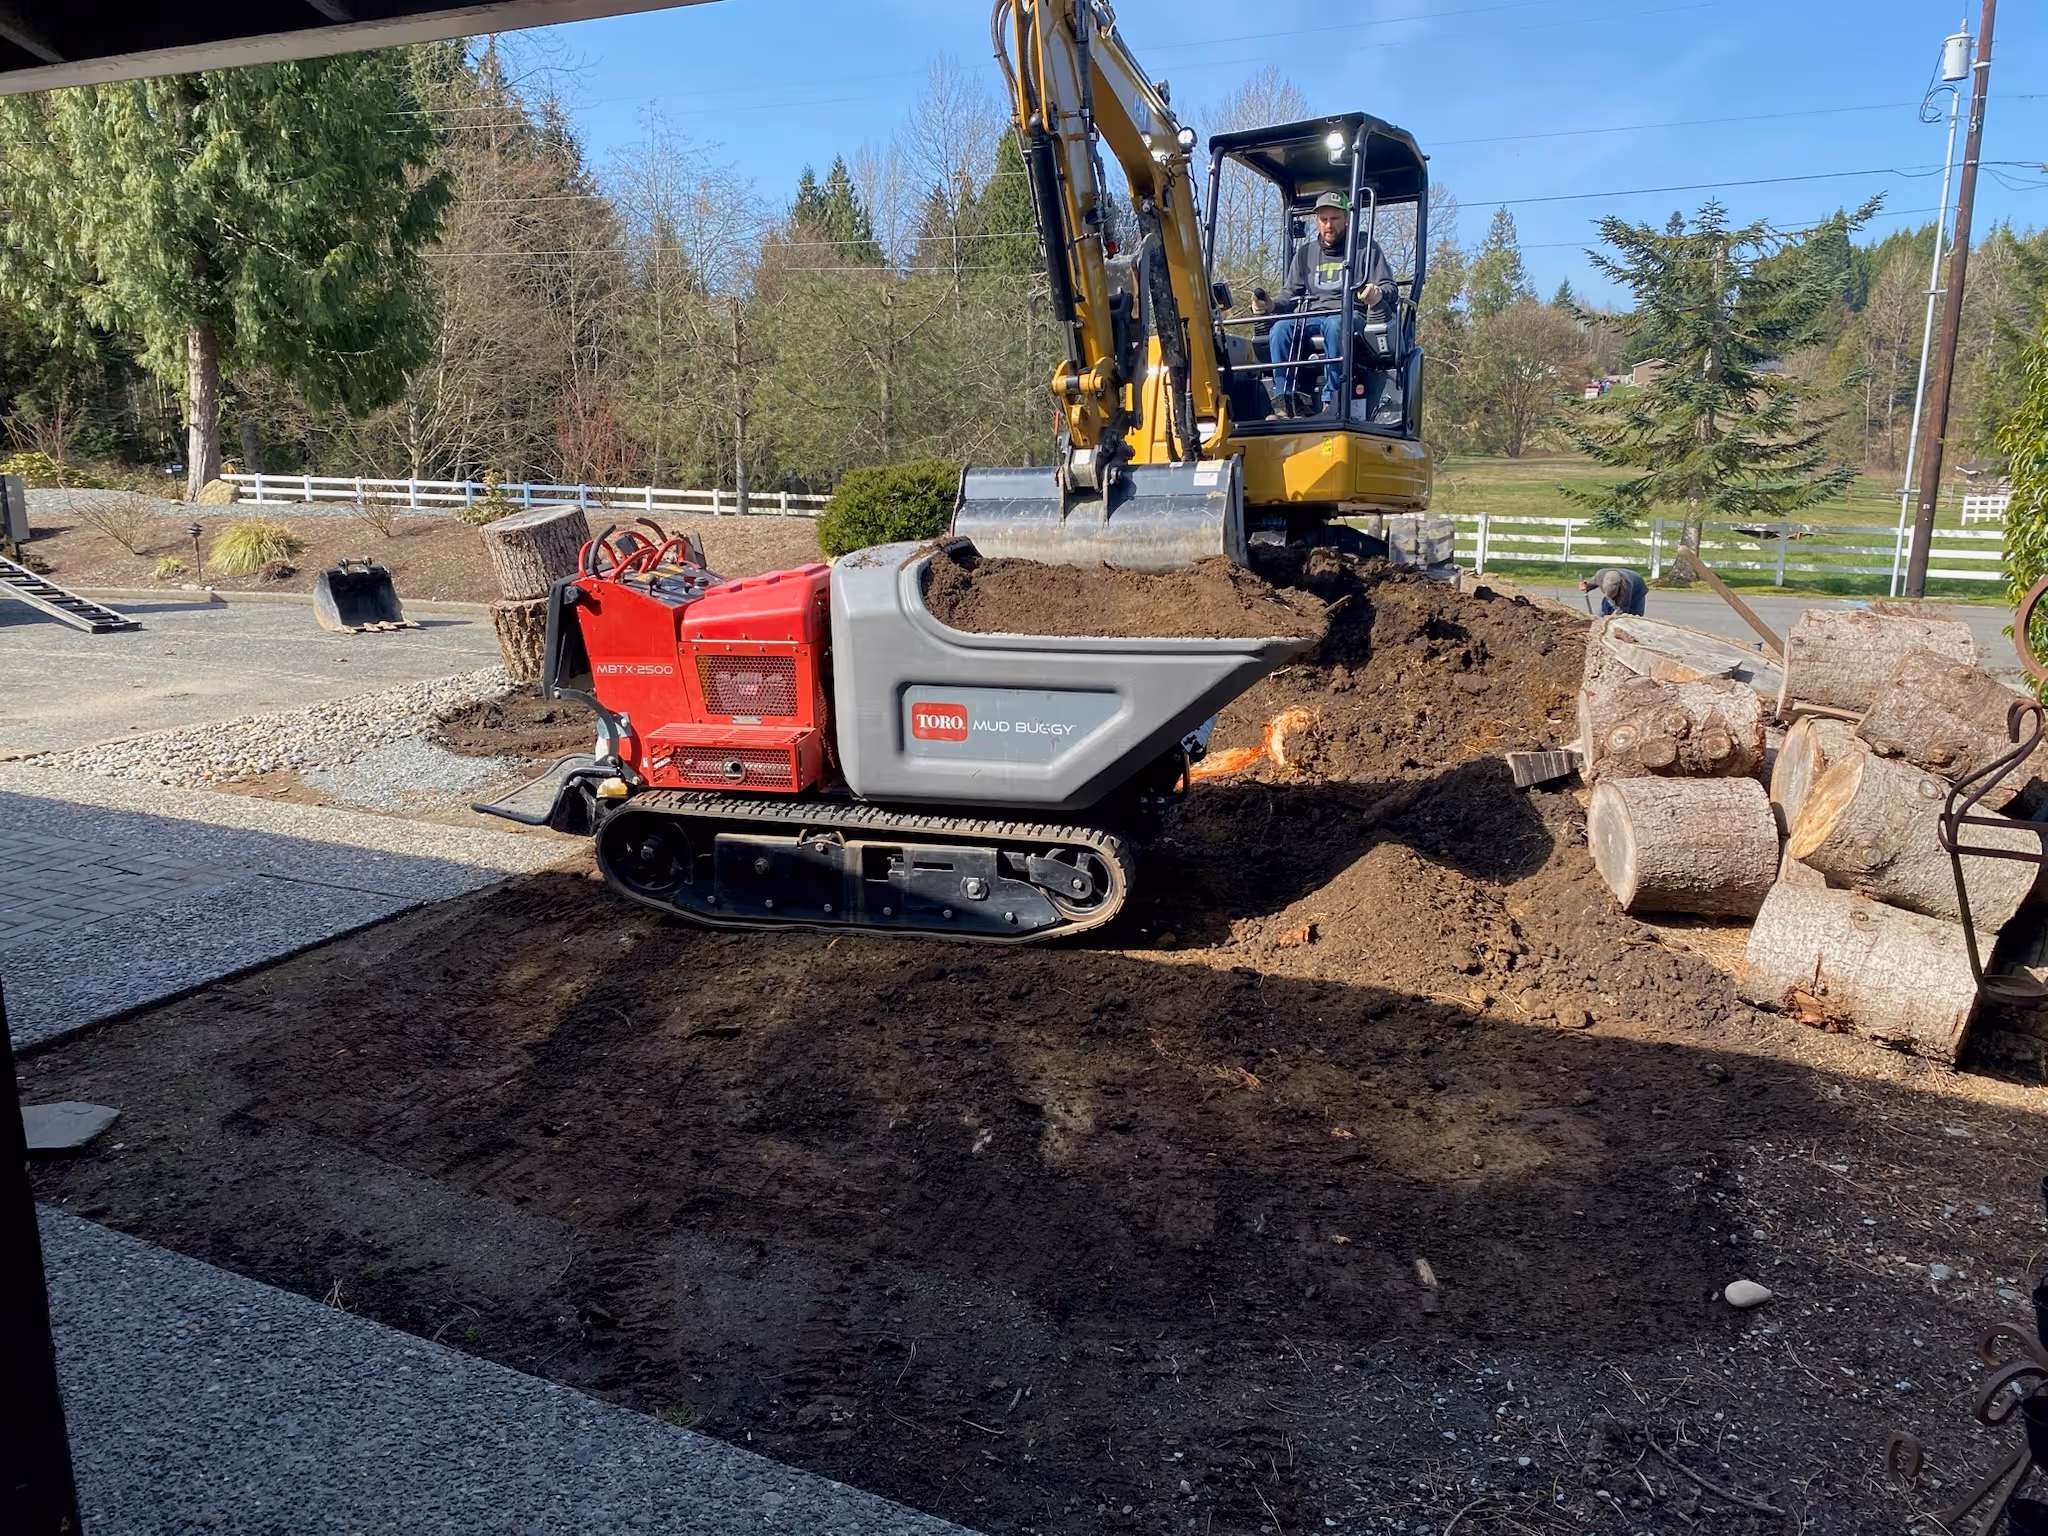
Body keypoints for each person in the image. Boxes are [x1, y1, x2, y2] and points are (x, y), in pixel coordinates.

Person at [1267, 191, 1396, 418]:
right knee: (1280, 329)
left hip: (1351, 316)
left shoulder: (1365, 248)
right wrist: (1270, 305)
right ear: (1317, 220)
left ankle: (1332, 401)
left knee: (1335, 325)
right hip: (1311, 316)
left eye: (1335, 218)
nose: (1329, 225)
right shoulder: (1305, 253)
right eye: (1323, 219)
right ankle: (1284, 403)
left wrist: (1375, 293)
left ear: (1346, 218)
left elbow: (1390, 287)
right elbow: (1289, 294)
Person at [1581, 566, 1648, 616]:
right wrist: (1586, 586)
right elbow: (1591, 584)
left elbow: (1623, 610)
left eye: (1613, 595)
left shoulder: (1626, 586)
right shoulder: (1600, 576)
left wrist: (1615, 617)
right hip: (1622, 583)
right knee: (1604, 611)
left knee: (1634, 615)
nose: (1613, 598)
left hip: (1637, 591)